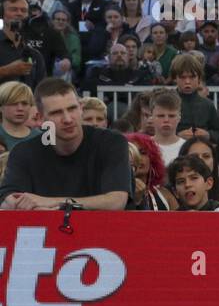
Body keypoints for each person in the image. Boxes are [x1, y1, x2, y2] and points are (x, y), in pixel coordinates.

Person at [0, 78, 132, 210]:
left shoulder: (111, 143)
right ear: (40, 118)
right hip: (44, 227)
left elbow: (116, 201)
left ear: (81, 108)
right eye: (56, 113)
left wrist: (54, 203)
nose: (68, 119)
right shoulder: (23, 152)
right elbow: (8, 200)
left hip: (102, 229)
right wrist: (32, 207)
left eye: (72, 109)